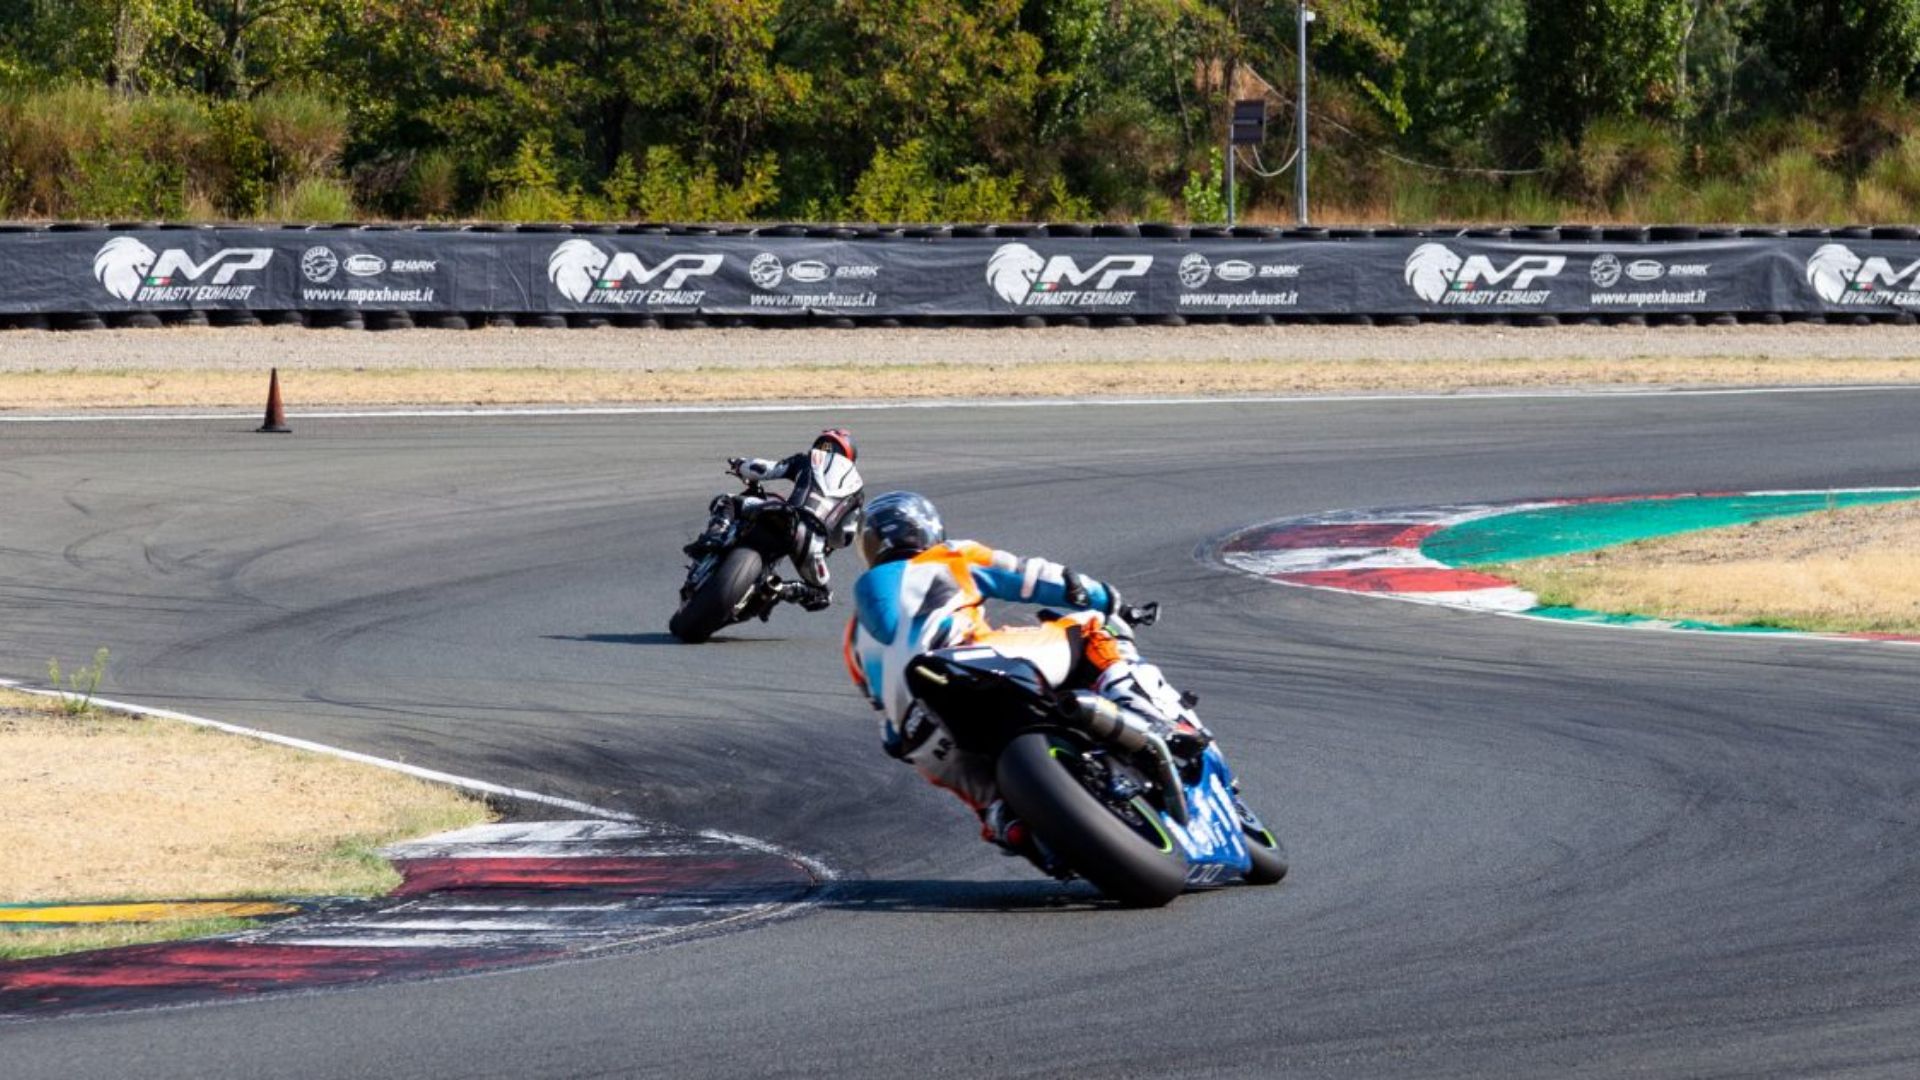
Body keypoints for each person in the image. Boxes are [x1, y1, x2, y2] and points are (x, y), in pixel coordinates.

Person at [843, 490, 1208, 859]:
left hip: (921, 732)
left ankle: (1008, 822)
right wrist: (1112, 601)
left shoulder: (854, 636)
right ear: (926, 531)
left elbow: (886, 728)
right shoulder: (948, 557)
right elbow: (1035, 578)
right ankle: (1146, 714)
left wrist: (908, 740)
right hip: (970, 664)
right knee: (1092, 629)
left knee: (988, 802)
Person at [684, 428, 863, 611]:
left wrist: (740, 465)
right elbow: (844, 538)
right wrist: (825, 545)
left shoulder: (809, 458)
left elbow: (764, 469)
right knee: (823, 596)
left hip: (788, 513)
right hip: (812, 540)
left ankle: (715, 535)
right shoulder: (857, 489)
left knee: (727, 500)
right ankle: (780, 589)